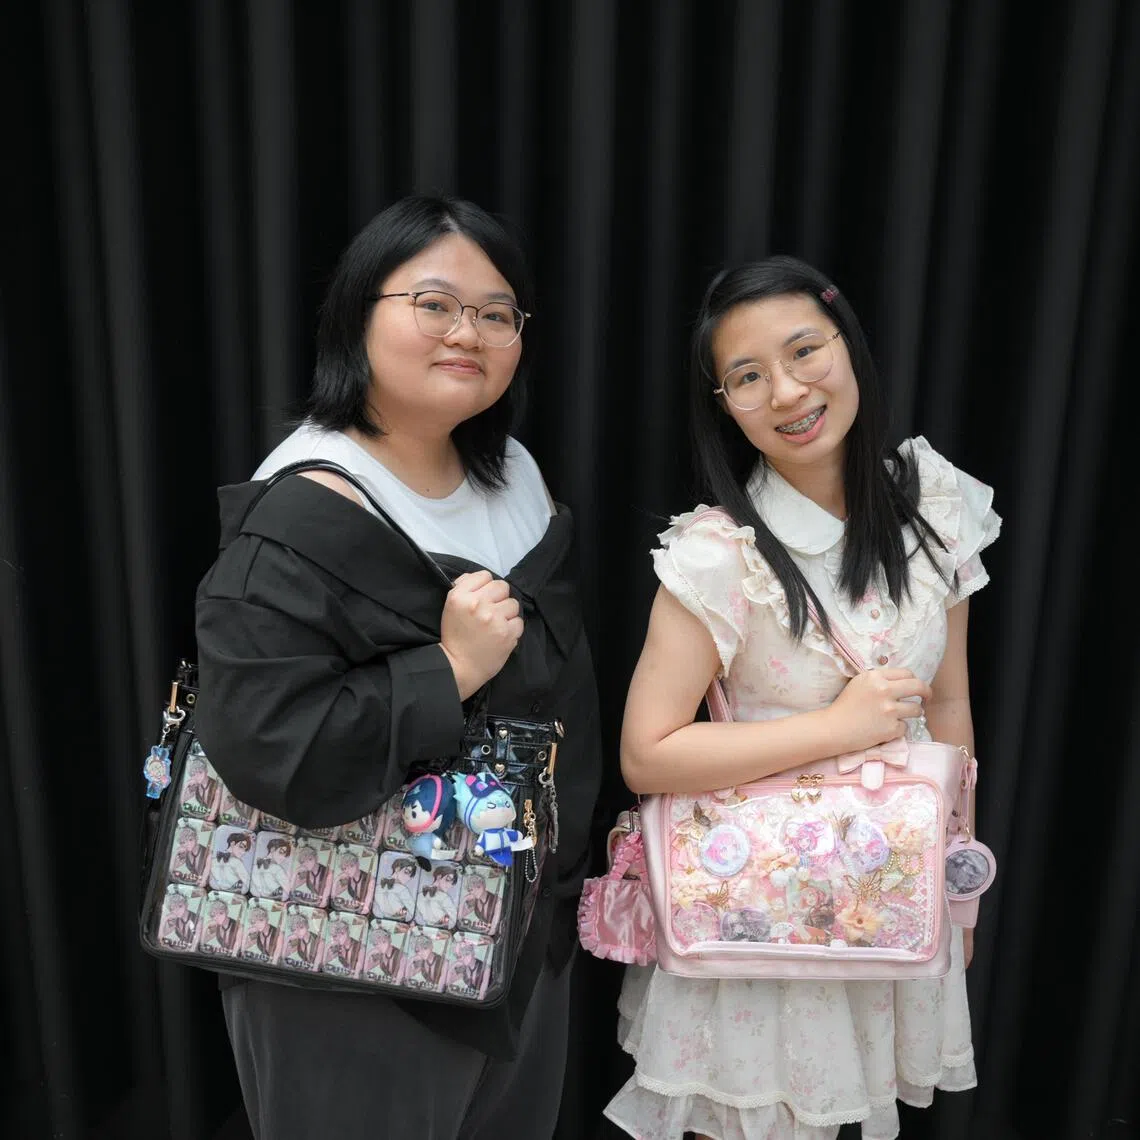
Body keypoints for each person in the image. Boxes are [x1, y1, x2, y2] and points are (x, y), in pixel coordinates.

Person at [195, 195, 602, 1140]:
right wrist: (448, 668)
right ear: (356, 314)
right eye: (435, 304)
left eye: (498, 314)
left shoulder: (515, 477)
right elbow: (264, 746)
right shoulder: (305, 504)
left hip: (514, 928)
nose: (471, 332)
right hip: (352, 956)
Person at [605, 257, 1000, 1140]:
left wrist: (959, 884)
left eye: (803, 353)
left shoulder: (934, 508)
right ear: (725, 403)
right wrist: (834, 729)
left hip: (888, 892)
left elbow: (950, 707)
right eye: (748, 377)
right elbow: (648, 752)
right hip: (761, 911)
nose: (787, 392)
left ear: (847, 345)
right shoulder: (721, 552)